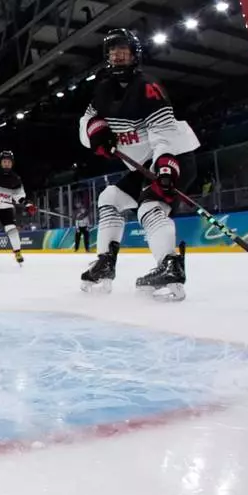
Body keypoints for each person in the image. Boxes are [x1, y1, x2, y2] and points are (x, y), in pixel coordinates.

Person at [79, 28, 200, 300]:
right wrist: (95, 130)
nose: (118, 55)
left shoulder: (148, 86)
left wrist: (166, 167)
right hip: (143, 164)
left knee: (150, 206)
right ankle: (105, 263)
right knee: (110, 197)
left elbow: (163, 133)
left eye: (124, 50)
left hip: (174, 157)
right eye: (113, 51)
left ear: (135, 55)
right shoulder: (102, 89)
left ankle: (169, 265)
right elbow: (86, 123)